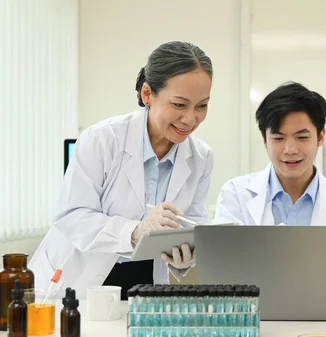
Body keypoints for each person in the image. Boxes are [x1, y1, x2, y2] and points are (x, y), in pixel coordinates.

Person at [29, 41, 214, 299]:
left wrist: (186, 255)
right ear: (148, 94)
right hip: (80, 278)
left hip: (146, 281)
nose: (190, 119)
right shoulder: (103, 139)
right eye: (180, 105)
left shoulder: (201, 158)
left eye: (202, 105)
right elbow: (72, 216)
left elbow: (193, 221)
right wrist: (136, 231)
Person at [213, 82, 326, 304]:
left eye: (302, 137)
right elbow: (222, 266)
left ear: (321, 137)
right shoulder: (235, 194)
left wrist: (306, 292)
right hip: (256, 322)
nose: (290, 149)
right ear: (264, 140)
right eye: (278, 138)